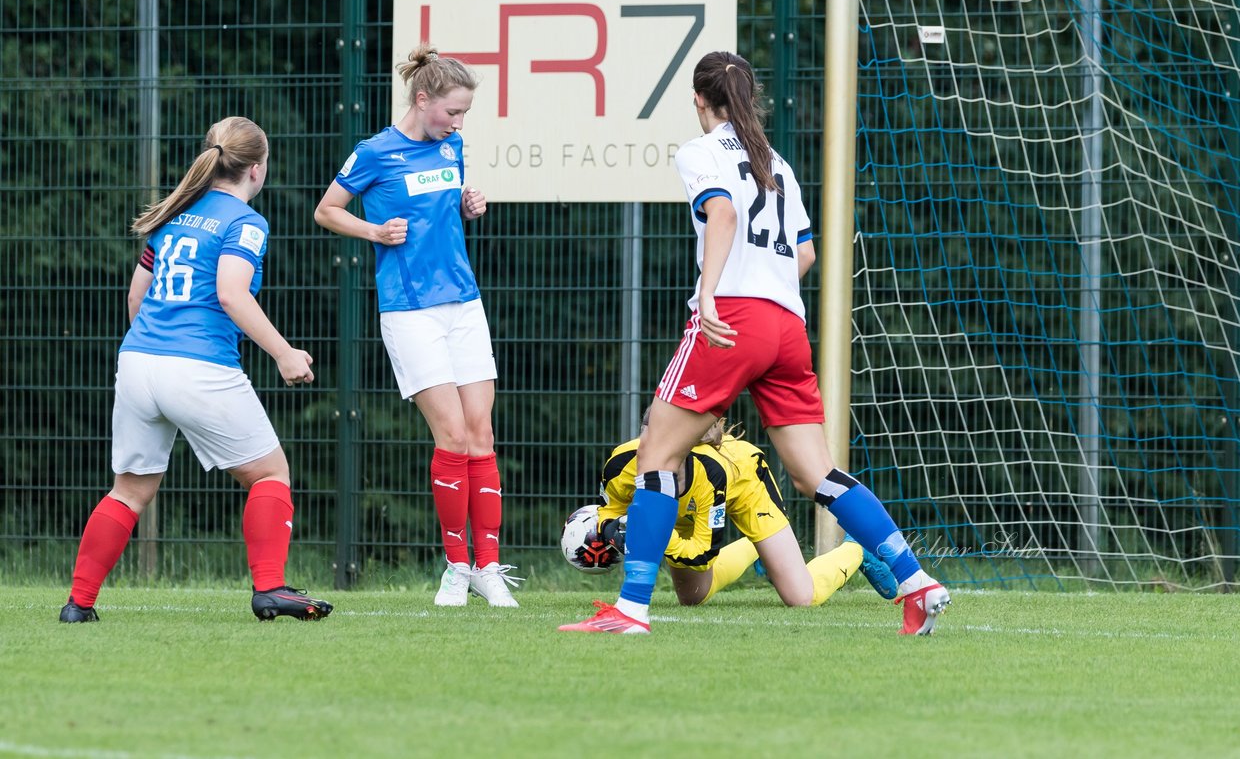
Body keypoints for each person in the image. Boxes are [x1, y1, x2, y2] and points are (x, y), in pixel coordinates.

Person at [560, 51, 951, 636]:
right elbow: (807, 254)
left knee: (657, 457)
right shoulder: (778, 164)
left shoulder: (698, 151)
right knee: (817, 474)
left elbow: (720, 216)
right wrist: (764, 296)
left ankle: (631, 609)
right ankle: (916, 580)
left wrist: (713, 295)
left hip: (732, 319)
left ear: (698, 98)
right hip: (786, 325)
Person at [61, 117, 332, 623]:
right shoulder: (245, 222)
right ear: (257, 168)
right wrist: (284, 353)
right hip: (198, 365)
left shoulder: (174, 212)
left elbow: (135, 298)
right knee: (270, 473)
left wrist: (157, 349)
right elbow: (231, 293)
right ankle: (270, 588)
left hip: (138, 361)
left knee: (129, 489)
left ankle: (79, 605)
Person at [314, 43, 519, 608]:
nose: (458, 123)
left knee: (482, 436)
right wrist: (374, 232)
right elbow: (326, 210)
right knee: (451, 436)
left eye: (464, 115)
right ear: (422, 99)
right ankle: (456, 566)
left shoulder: (451, 146)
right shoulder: (375, 152)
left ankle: (489, 567)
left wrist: (468, 203)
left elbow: (445, 209)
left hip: (463, 303)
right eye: (452, 112)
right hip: (409, 310)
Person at [567, 414, 900, 607]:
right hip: (680, 510)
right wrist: (614, 529)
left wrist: (649, 535)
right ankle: (756, 551)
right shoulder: (620, 464)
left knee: (801, 597)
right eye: (646, 438)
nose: (648, 450)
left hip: (746, 488)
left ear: (684, 446)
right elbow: (610, 509)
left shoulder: (712, 475)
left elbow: (699, 555)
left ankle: (855, 549)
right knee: (692, 597)